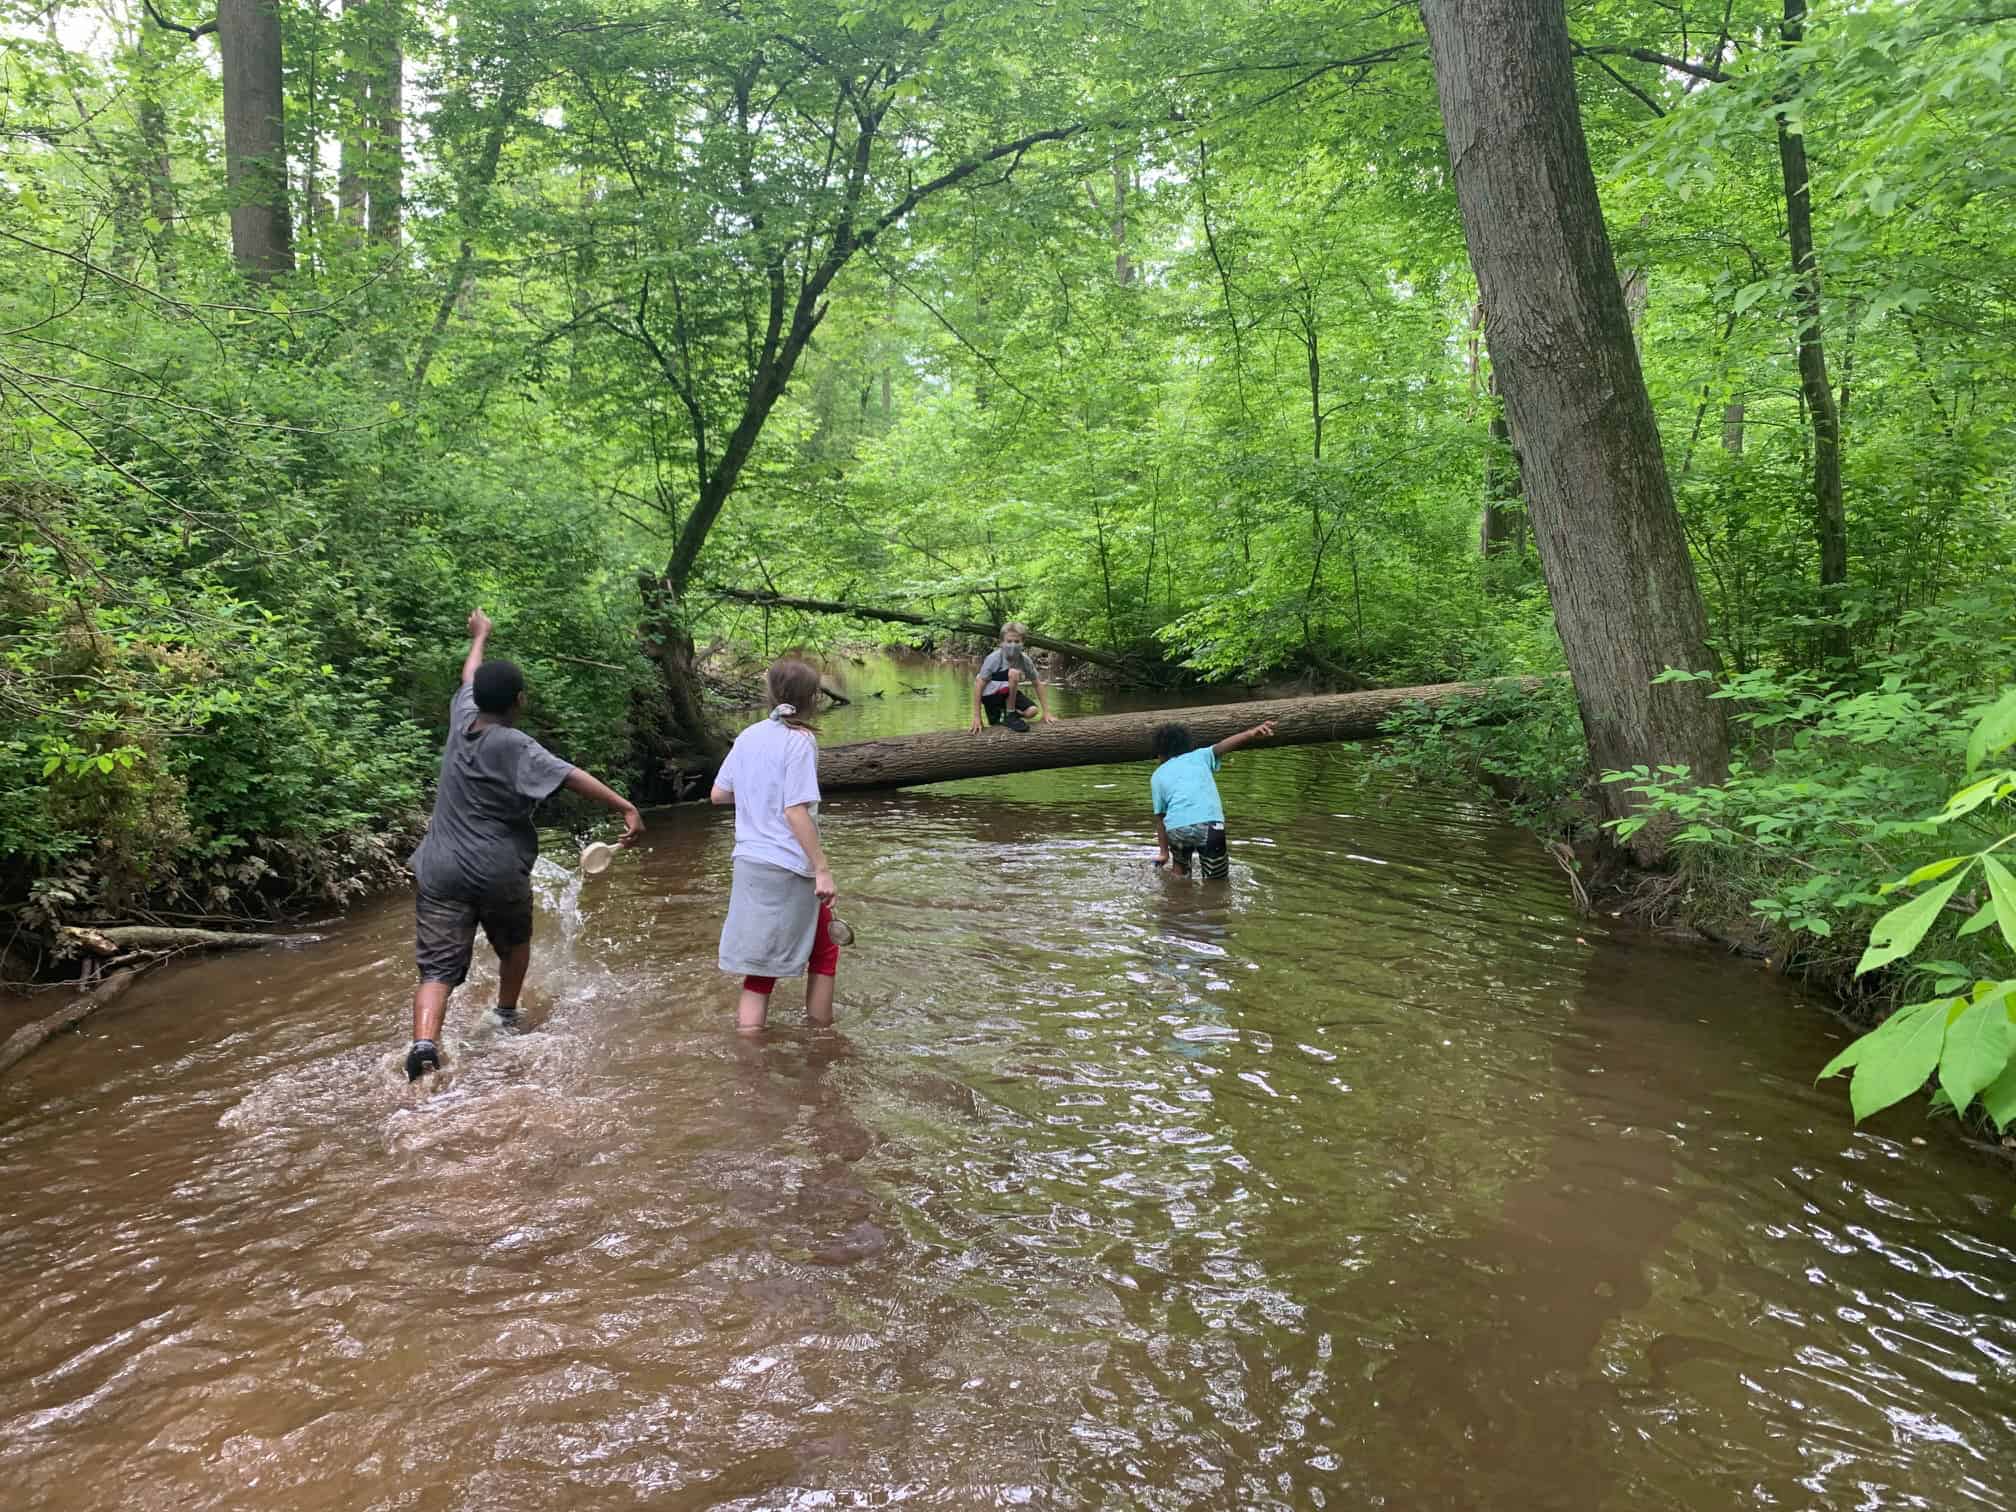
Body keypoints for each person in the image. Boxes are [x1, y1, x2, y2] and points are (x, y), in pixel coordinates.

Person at [403, 609, 643, 1080]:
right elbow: (571, 776)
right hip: (496, 868)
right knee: (515, 943)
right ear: (519, 701)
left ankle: (424, 1043)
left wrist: (480, 636)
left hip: (441, 866)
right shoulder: (516, 745)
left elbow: (469, 673)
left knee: (435, 970)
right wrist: (626, 808)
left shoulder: (460, 717)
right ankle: (505, 1013)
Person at [711, 658, 842, 1033]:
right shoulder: (800, 740)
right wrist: (822, 868)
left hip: (749, 863)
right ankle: (821, 1040)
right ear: (812, 698)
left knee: (760, 970)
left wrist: (758, 796)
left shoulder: (749, 735)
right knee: (825, 956)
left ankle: (749, 1056)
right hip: (786, 867)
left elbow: (719, 794)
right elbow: (795, 811)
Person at [1150, 718, 1277, 880]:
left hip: (1177, 828)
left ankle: (1176, 901)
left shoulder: (1157, 775)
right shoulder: (1200, 756)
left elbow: (1160, 818)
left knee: (1180, 874)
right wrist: (1251, 733)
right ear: (1188, 746)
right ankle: (1215, 903)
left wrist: (1163, 853)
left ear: (1159, 753)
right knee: (1216, 880)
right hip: (1209, 825)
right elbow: (1224, 745)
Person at [968, 622, 1054, 733]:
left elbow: (1037, 683)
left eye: (1017, 641)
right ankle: (1009, 714)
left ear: (1023, 643)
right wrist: (977, 717)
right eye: (1009, 641)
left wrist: (1046, 712)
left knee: (1032, 711)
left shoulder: (1025, 660)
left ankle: (1009, 714)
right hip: (990, 695)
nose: (1013, 645)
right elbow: (979, 685)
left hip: (1007, 691)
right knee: (1013, 673)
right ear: (1002, 643)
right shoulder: (993, 659)